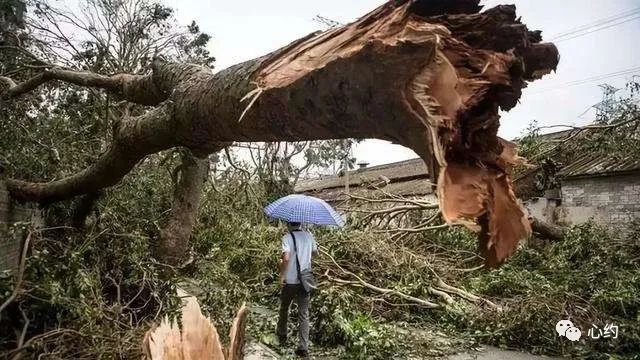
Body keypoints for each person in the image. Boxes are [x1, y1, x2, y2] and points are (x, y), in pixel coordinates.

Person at [276, 221, 318, 358]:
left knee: (284, 307)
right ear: (300, 223)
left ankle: (282, 336)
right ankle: (303, 347)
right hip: (305, 280)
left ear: (289, 224)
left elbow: (286, 258)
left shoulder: (287, 237)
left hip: (290, 281)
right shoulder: (309, 236)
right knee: (304, 313)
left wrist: (282, 275)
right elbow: (315, 253)